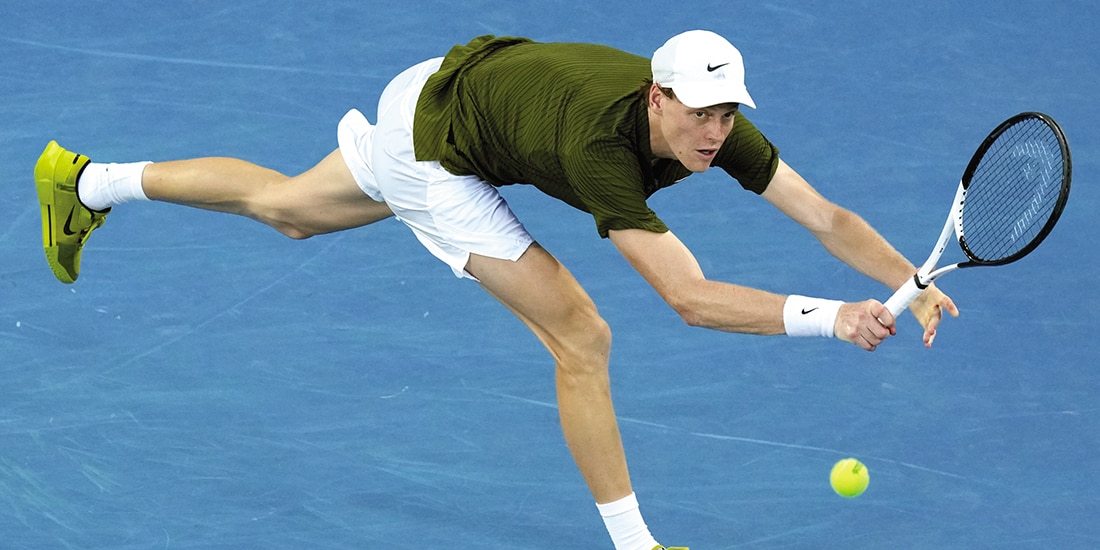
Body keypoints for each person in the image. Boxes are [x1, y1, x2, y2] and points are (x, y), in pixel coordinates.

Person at [34, 30, 958, 550]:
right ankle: (637, 547)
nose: (715, 131)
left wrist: (907, 280)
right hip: (439, 149)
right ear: (656, 99)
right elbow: (688, 297)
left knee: (288, 209)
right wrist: (831, 318)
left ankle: (83, 182)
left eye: (726, 112)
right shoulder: (601, 150)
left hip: (436, 89)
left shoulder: (716, 129)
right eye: (699, 112)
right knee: (581, 337)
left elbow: (825, 214)